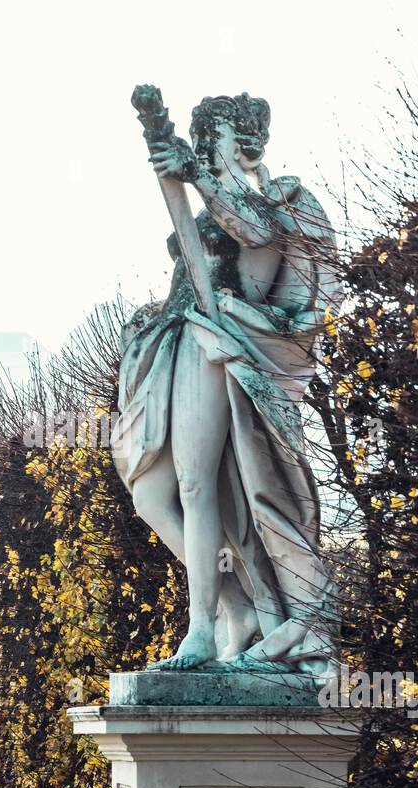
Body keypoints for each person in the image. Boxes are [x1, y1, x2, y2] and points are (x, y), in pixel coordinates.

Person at [114, 92, 341, 675]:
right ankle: (236, 606)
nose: (201, 147)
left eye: (209, 137)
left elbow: (257, 234)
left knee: (196, 484)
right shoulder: (211, 200)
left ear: (244, 143)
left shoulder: (273, 201)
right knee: (150, 495)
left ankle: (200, 629)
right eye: (197, 138)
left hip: (217, 342)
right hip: (174, 336)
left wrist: (196, 175)